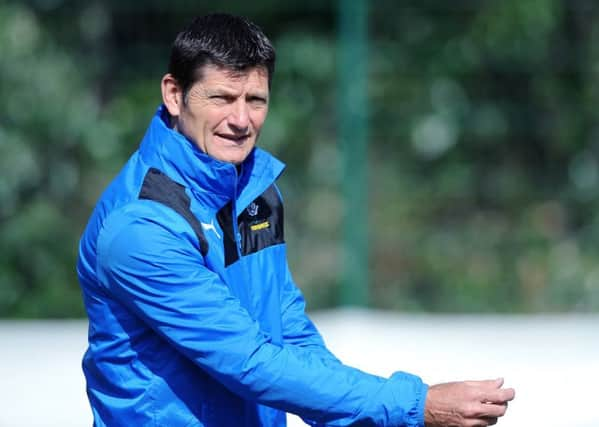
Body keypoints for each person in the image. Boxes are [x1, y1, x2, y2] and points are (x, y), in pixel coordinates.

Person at [77, 13, 515, 427]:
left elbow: (285, 327)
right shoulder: (141, 228)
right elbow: (247, 362)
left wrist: (356, 416)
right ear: (174, 95)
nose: (241, 120)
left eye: (256, 100)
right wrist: (413, 406)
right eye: (222, 98)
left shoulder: (252, 186)